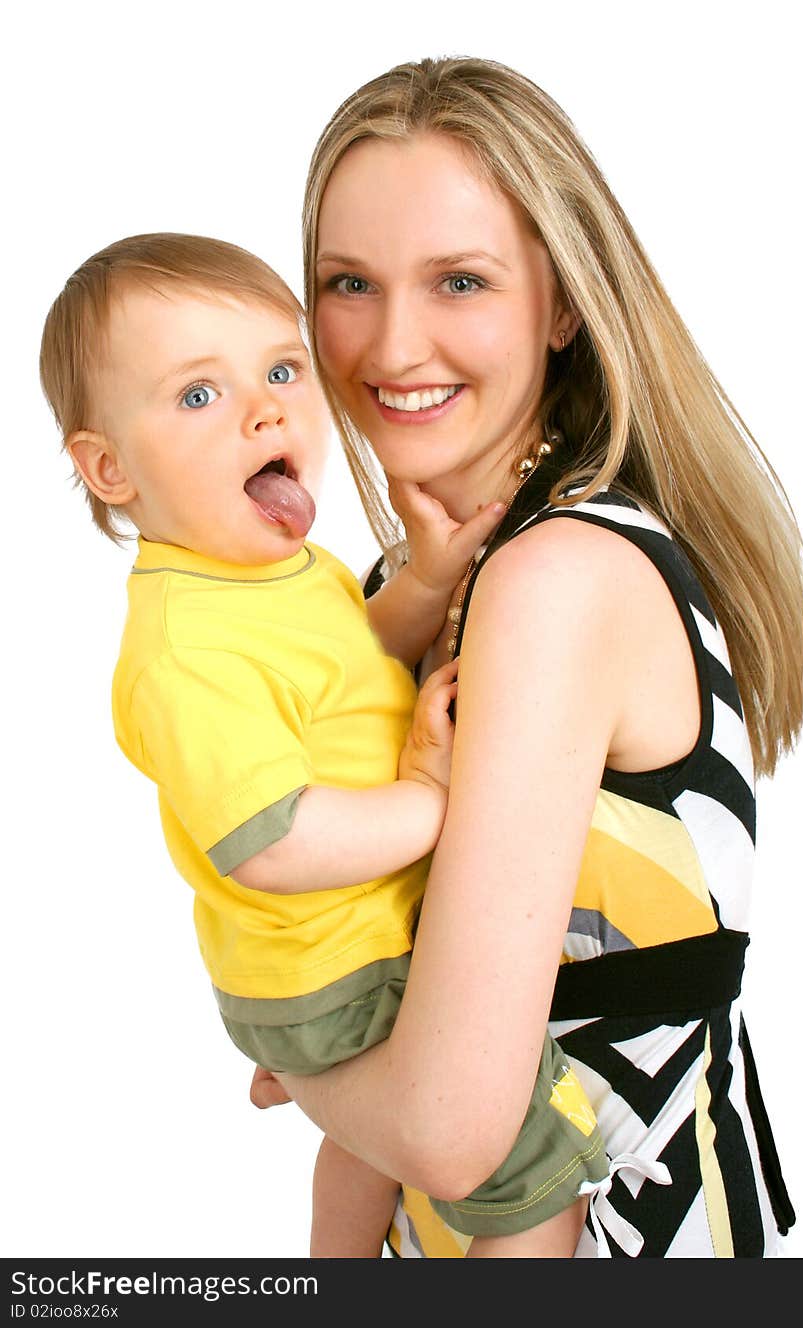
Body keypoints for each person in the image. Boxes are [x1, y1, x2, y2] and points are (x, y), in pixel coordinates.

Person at [248, 56, 803, 1258]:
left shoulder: (551, 582)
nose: (393, 344)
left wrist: (287, 1057)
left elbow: (449, 1127)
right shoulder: (409, 588)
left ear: (560, 304)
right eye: (349, 282)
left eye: (460, 280)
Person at [38, 231, 611, 1259]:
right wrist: (438, 800)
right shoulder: (186, 648)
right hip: (337, 971)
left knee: (365, 1143)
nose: (265, 407)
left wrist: (426, 583)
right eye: (198, 396)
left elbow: (348, 669)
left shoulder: (269, 572)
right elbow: (273, 841)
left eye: (279, 368)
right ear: (108, 467)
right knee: (532, 1180)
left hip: (331, 963)